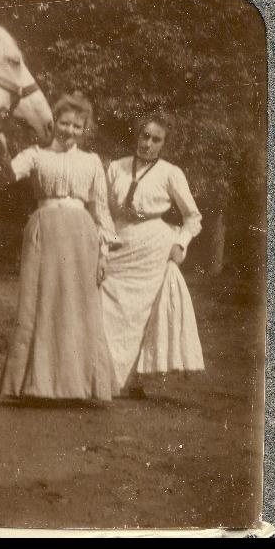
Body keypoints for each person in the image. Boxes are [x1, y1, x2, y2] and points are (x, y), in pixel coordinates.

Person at [0, 92, 118, 401]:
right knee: (39, 303)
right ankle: (37, 384)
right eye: (64, 123)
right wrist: (1, 149)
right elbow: (3, 177)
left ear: (84, 128)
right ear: (54, 122)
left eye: (77, 125)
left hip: (81, 236)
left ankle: (80, 386)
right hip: (44, 232)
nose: (69, 130)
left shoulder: (91, 161)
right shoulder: (36, 154)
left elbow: (101, 212)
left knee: (79, 307)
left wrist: (103, 255)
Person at [100, 113, 205, 397]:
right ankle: (103, 377)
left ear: (163, 145)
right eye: (144, 136)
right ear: (136, 135)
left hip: (152, 248)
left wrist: (181, 244)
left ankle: (131, 381)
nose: (147, 143)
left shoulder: (171, 173)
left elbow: (193, 217)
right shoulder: (116, 168)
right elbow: (104, 209)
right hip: (118, 243)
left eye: (155, 139)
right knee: (107, 306)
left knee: (139, 315)